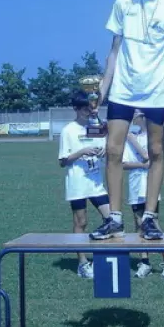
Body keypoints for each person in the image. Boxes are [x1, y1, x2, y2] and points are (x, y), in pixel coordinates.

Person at [90, 0, 164, 241]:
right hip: (123, 88)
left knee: (156, 151)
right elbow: (114, 49)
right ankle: (115, 218)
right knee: (113, 150)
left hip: (158, 91)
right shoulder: (123, 2)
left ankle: (150, 217)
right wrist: (103, 89)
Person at [58, 91, 114, 278]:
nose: (87, 112)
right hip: (77, 183)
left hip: (96, 182)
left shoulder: (95, 126)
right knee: (81, 222)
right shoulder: (68, 130)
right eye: (84, 109)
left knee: (112, 221)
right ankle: (82, 263)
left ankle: (107, 257)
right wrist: (82, 151)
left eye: (90, 108)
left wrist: (102, 151)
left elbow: (106, 144)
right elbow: (63, 161)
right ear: (75, 109)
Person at [122, 110, 164, 278]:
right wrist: (141, 164)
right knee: (138, 224)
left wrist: (134, 143)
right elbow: (124, 164)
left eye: (137, 114)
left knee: (152, 222)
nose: (134, 117)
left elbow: (150, 158)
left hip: (150, 185)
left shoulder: (154, 136)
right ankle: (144, 262)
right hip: (135, 185)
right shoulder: (131, 137)